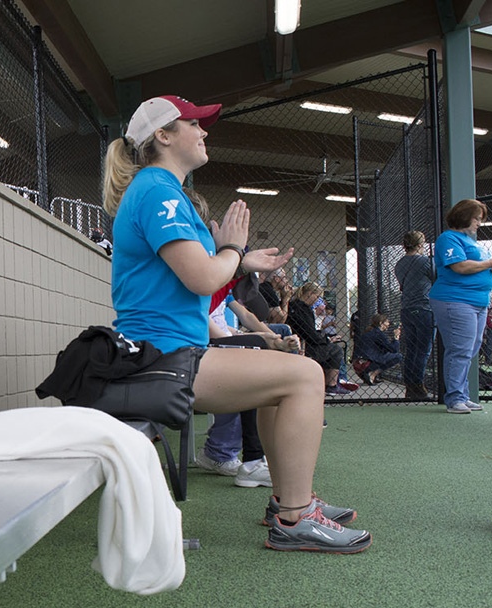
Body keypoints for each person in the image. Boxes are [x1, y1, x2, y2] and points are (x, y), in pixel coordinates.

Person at [104, 94, 369, 553]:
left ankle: (288, 502)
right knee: (306, 376)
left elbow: (199, 290)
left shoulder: (163, 191)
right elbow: (204, 274)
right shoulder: (156, 190)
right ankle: (296, 518)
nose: (204, 132)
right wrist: (230, 252)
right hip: (160, 358)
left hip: (171, 352)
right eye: (194, 124)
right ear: (163, 136)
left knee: (277, 375)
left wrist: (241, 263)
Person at [429, 199, 492, 414]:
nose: (479, 223)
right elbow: (459, 266)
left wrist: (490, 267)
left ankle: (462, 395)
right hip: (455, 300)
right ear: (464, 216)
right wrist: (490, 264)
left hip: (478, 302)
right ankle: (455, 399)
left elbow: (475, 267)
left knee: (470, 349)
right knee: (460, 349)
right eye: (476, 218)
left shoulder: (470, 241)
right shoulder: (448, 238)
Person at [393, 230, 436, 400]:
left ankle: (410, 385)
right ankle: (418, 385)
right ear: (420, 245)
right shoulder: (425, 262)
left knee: (410, 349)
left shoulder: (399, 264)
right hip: (424, 308)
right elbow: (436, 277)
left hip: (407, 309)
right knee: (423, 350)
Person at [287, 282, 349, 395]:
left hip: (302, 342)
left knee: (329, 347)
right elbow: (310, 334)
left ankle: (329, 382)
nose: (317, 300)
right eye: (317, 296)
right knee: (336, 350)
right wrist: (327, 340)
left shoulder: (295, 305)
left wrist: (325, 338)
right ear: (310, 294)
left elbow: (309, 332)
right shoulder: (303, 308)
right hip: (305, 347)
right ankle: (331, 385)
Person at [353, 313, 402, 384]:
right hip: (368, 363)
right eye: (387, 322)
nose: (388, 324)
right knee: (399, 356)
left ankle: (367, 374)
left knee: (385, 354)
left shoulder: (369, 332)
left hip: (358, 363)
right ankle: (372, 374)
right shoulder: (378, 333)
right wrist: (396, 338)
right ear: (381, 323)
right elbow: (394, 350)